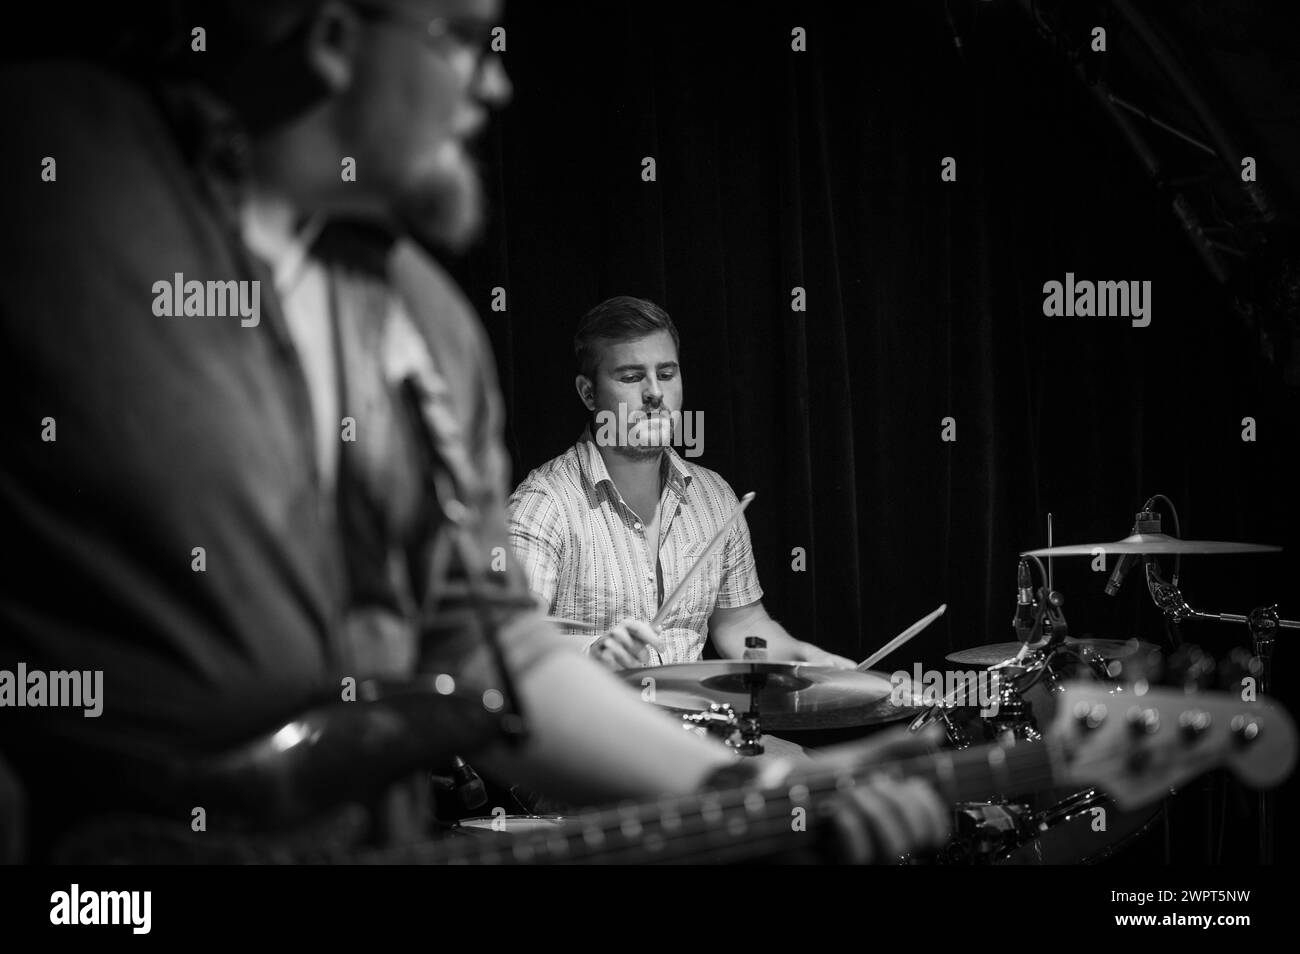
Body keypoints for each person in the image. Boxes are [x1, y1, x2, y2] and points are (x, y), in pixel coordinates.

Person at [0, 0, 945, 863]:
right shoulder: (64, 168)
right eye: (458, 36)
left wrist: (762, 786)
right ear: (333, 36)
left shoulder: (429, 327)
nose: (494, 82)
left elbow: (495, 656)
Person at [508, 296, 857, 672]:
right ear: (588, 393)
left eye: (666, 374)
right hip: (591, 728)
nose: (654, 393)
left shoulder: (714, 495)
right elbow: (508, 640)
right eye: (630, 377)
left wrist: (806, 657)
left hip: (694, 728)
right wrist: (591, 653)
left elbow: (740, 624)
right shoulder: (543, 504)